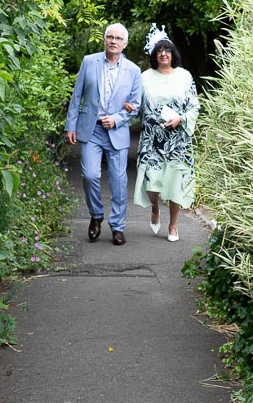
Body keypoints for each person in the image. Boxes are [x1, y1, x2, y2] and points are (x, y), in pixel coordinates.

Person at [64, 23, 142, 245]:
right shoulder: (90, 62)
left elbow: (135, 105)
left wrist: (117, 118)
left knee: (118, 181)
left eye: (118, 38)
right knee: (90, 176)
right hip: (91, 129)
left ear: (125, 43)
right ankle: (96, 215)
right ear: (104, 39)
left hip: (117, 131)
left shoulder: (134, 70)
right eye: (110, 37)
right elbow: (76, 95)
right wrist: (70, 126)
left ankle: (117, 226)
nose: (113, 41)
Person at [132, 27, 199, 242]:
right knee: (152, 181)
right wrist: (129, 109)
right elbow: (137, 107)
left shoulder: (185, 76)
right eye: (159, 50)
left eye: (167, 50)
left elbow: (194, 106)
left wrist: (180, 119)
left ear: (172, 53)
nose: (163, 54)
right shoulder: (144, 77)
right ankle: (154, 207)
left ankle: (173, 225)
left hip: (178, 139)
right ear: (154, 55)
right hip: (152, 139)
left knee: (175, 183)